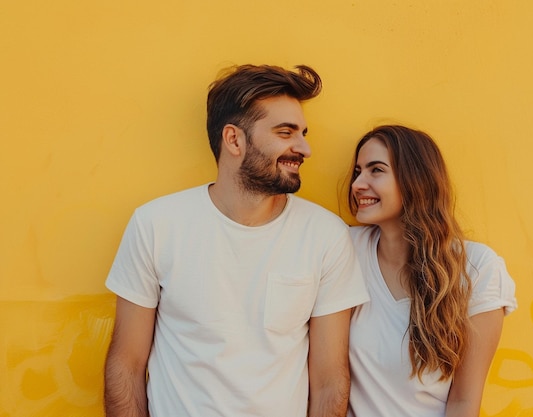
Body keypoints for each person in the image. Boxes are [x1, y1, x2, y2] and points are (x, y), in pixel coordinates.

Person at [104, 64, 369, 417]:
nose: (304, 148)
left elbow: (329, 380)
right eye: (286, 132)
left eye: (303, 133)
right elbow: (126, 365)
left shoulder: (325, 235)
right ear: (234, 140)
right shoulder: (156, 225)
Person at [345, 125, 517, 417]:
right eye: (358, 171)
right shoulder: (346, 249)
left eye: (376, 170)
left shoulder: (476, 268)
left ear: (416, 180)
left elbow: (464, 403)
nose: (358, 184)